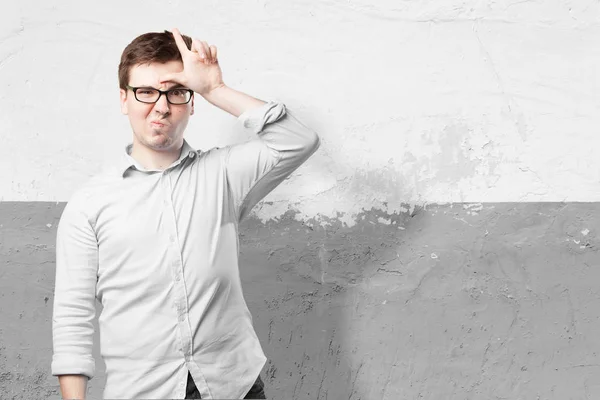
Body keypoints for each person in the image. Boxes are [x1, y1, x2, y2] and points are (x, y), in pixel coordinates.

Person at [51, 28, 320, 399]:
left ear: (191, 102)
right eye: (145, 91)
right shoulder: (89, 204)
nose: (161, 106)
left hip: (234, 387)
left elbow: (298, 140)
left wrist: (215, 88)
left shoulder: (222, 174)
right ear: (123, 99)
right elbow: (72, 317)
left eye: (176, 91)